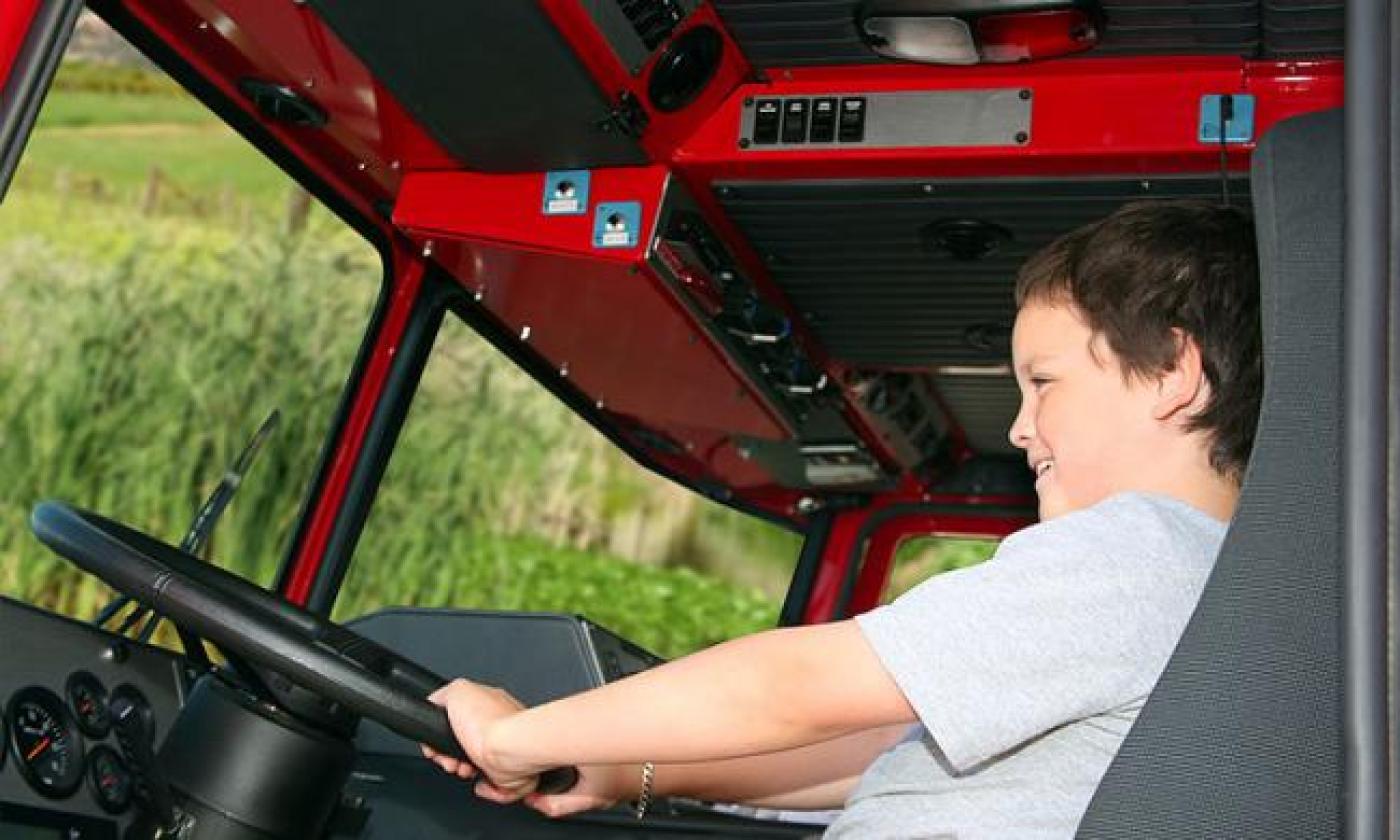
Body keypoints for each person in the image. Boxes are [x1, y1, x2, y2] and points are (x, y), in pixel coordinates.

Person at [421, 199, 1262, 838]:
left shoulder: (1137, 554)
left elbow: (795, 690)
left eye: (1043, 382)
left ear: (1172, 374)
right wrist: (629, 770)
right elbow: (870, 748)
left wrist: (521, 735)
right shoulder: (1203, 583)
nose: (1016, 426)